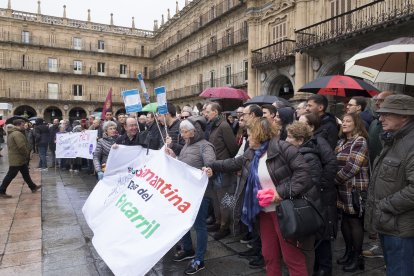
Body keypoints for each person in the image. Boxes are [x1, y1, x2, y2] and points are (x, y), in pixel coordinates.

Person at [204, 117, 312, 276]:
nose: (247, 138)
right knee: (269, 254)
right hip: (263, 212)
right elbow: (232, 163)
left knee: (291, 257)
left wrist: (280, 193)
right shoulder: (252, 153)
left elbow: (303, 174)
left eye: (250, 134)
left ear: (260, 134)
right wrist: (211, 165)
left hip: (284, 212)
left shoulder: (283, 148)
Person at [365, 94, 414, 276]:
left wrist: (385, 205)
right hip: (389, 224)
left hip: (400, 229)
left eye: (387, 114)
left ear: (405, 116)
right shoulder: (393, 140)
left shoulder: (411, 144)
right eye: (380, 113)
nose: (381, 118)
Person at [165, 116, 216, 275]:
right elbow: (184, 161)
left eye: (184, 131)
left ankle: (199, 259)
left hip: (201, 193)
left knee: (199, 225)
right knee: (184, 221)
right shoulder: (187, 144)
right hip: (186, 191)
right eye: (181, 130)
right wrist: (173, 156)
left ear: (193, 132)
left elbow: (210, 162)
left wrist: (208, 168)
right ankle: (188, 249)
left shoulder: (206, 146)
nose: (181, 133)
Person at [299, 112, 338, 276]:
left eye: (301, 123)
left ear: (311, 126)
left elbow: (331, 163)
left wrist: (322, 184)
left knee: (323, 231)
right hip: (314, 193)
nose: (298, 125)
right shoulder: (308, 140)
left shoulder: (319, 140)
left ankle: (325, 268)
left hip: (322, 193)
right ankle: (315, 265)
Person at [286, 121, 323, 276]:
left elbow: (309, 182)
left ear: (300, 140)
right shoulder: (297, 153)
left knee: (306, 249)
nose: (286, 140)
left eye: (289, 137)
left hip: (306, 208)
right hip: (298, 205)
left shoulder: (309, 157)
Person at [335, 113, 369, 273]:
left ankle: (358, 257)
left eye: (348, 121)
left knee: (354, 222)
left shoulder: (360, 141)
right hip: (342, 189)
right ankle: (348, 253)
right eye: (344, 121)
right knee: (345, 221)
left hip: (354, 188)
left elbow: (353, 167)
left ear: (357, 124)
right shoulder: (342, 141)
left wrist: (334, 179)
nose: (344, 123)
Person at [204, 102, 239, 240]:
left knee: (225, 199)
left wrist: (229, 165)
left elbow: (233, 148)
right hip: (214, 168)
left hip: (223, 168)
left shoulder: (224, 126)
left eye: (207, 111)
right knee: (216, 198)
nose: (205, 114)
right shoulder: (212, 125)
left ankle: (225, 226)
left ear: (215, 112)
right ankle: (218, 222)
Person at [0, 119, 41, 198]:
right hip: (17, 158)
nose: (24, 126)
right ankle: (1, 190)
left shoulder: (14, 133)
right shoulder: (17, 134)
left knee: (25, 173)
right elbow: (21, 146)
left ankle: (32, 187)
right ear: (18, 125)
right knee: (10, 175)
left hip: (19, 158)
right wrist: (27, 154)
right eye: (23, 125)